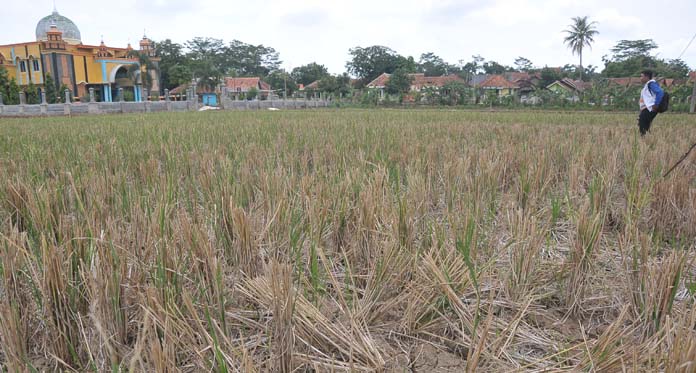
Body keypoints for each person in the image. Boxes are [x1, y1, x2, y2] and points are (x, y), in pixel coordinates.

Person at [637, 69, 664, 136]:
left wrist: (656, 104)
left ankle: (644, 140)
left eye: (642, 76)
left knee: (643, 126)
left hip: (650, 108)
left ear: (647, 77)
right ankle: (647, 140)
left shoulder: (651, 84)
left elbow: (660, 92)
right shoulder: (648, 85)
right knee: (644, 125)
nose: (640, 78)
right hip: (647, 108)